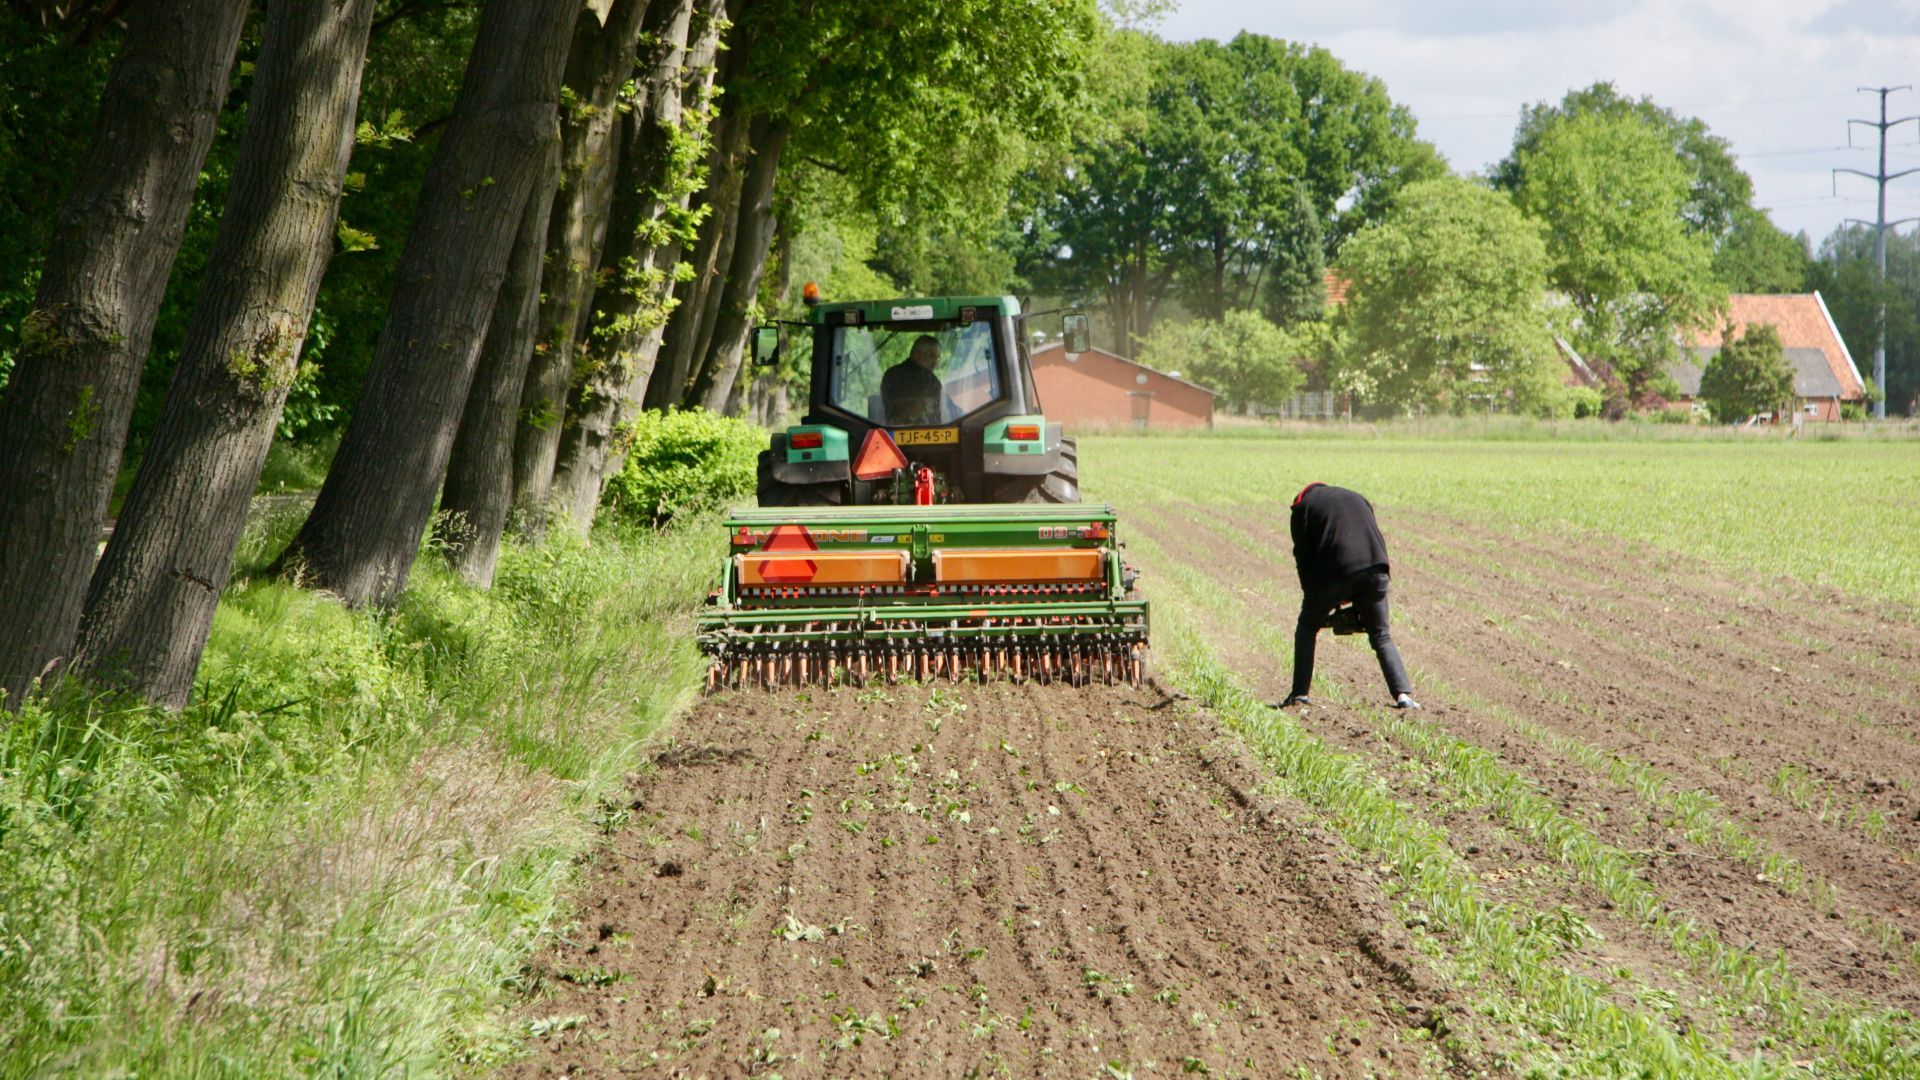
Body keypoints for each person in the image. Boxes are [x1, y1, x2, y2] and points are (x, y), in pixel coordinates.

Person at [1281, 482, 1420, 710]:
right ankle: (1403, 695)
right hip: (1377, 567)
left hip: (1336, 571)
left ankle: (1300, 695)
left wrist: (1315, 600)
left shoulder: (1302, 507)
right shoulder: (1358, 498)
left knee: (1307, 626)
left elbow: (1303, 557)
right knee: (1381, 635)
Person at [880, 334, 944, 424]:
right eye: (932, 356)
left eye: (937, 359)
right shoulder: (930, 381)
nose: (935, 364)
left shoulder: (890, 374)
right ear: (918, 354)